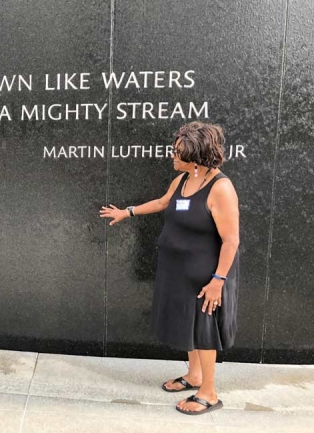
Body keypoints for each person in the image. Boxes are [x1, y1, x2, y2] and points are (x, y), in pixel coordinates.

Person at [100, 121, 239, 415]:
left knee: (204, 331)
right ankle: (194, 375)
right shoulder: (183, 180)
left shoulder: (221, 188)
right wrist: (128, 212)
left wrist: (218, 280)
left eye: (179, 153)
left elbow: (231, 240)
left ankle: (209, 392)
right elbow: (164, 202)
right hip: (178, 271)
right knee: (188, 325)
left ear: (197, 157)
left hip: (206, 275)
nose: (173, 157)